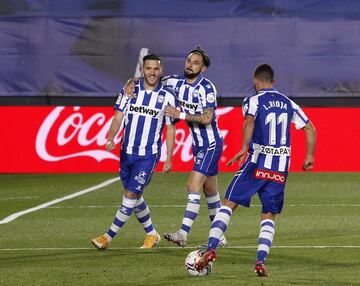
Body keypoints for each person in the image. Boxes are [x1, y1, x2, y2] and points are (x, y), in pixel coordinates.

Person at [195, 64, 316, 277]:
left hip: (257, 163)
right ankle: (260, 261)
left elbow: (249, 122)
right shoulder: (289, 102)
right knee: (268, 215)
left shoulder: (253, 100)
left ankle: (211, 248)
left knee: (228, 204)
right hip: (280, 168)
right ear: (273, 81)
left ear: (255, 80)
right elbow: (310, 128)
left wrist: (243, 147)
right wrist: (309, 156)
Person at [124, 46, 227, 247]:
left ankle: (183, 234)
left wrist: (179, 114)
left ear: (203, 68)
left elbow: (207, 118)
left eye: (196, 63)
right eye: (189, 61)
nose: (190, 65)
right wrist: (130, 82)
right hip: (199, 146)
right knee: (211, 191)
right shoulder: (175, 82)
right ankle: (219, 236)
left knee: (192, 186)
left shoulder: (206, 88)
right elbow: (151, 78)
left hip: (210, 144)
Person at [91, 54, 177, 249]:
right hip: (126, 152)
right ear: (142, 69)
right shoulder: (130, 90)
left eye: (156, 69)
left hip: (148, 155)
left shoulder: (168, 96)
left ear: (161, 70)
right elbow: (117, 117)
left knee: (130, 194)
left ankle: (107, 237)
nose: (152, 73)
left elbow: (171, 128)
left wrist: (169, 157)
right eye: (149, 68)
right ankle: (151, 234)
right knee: (135, 196)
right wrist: (111, 137)